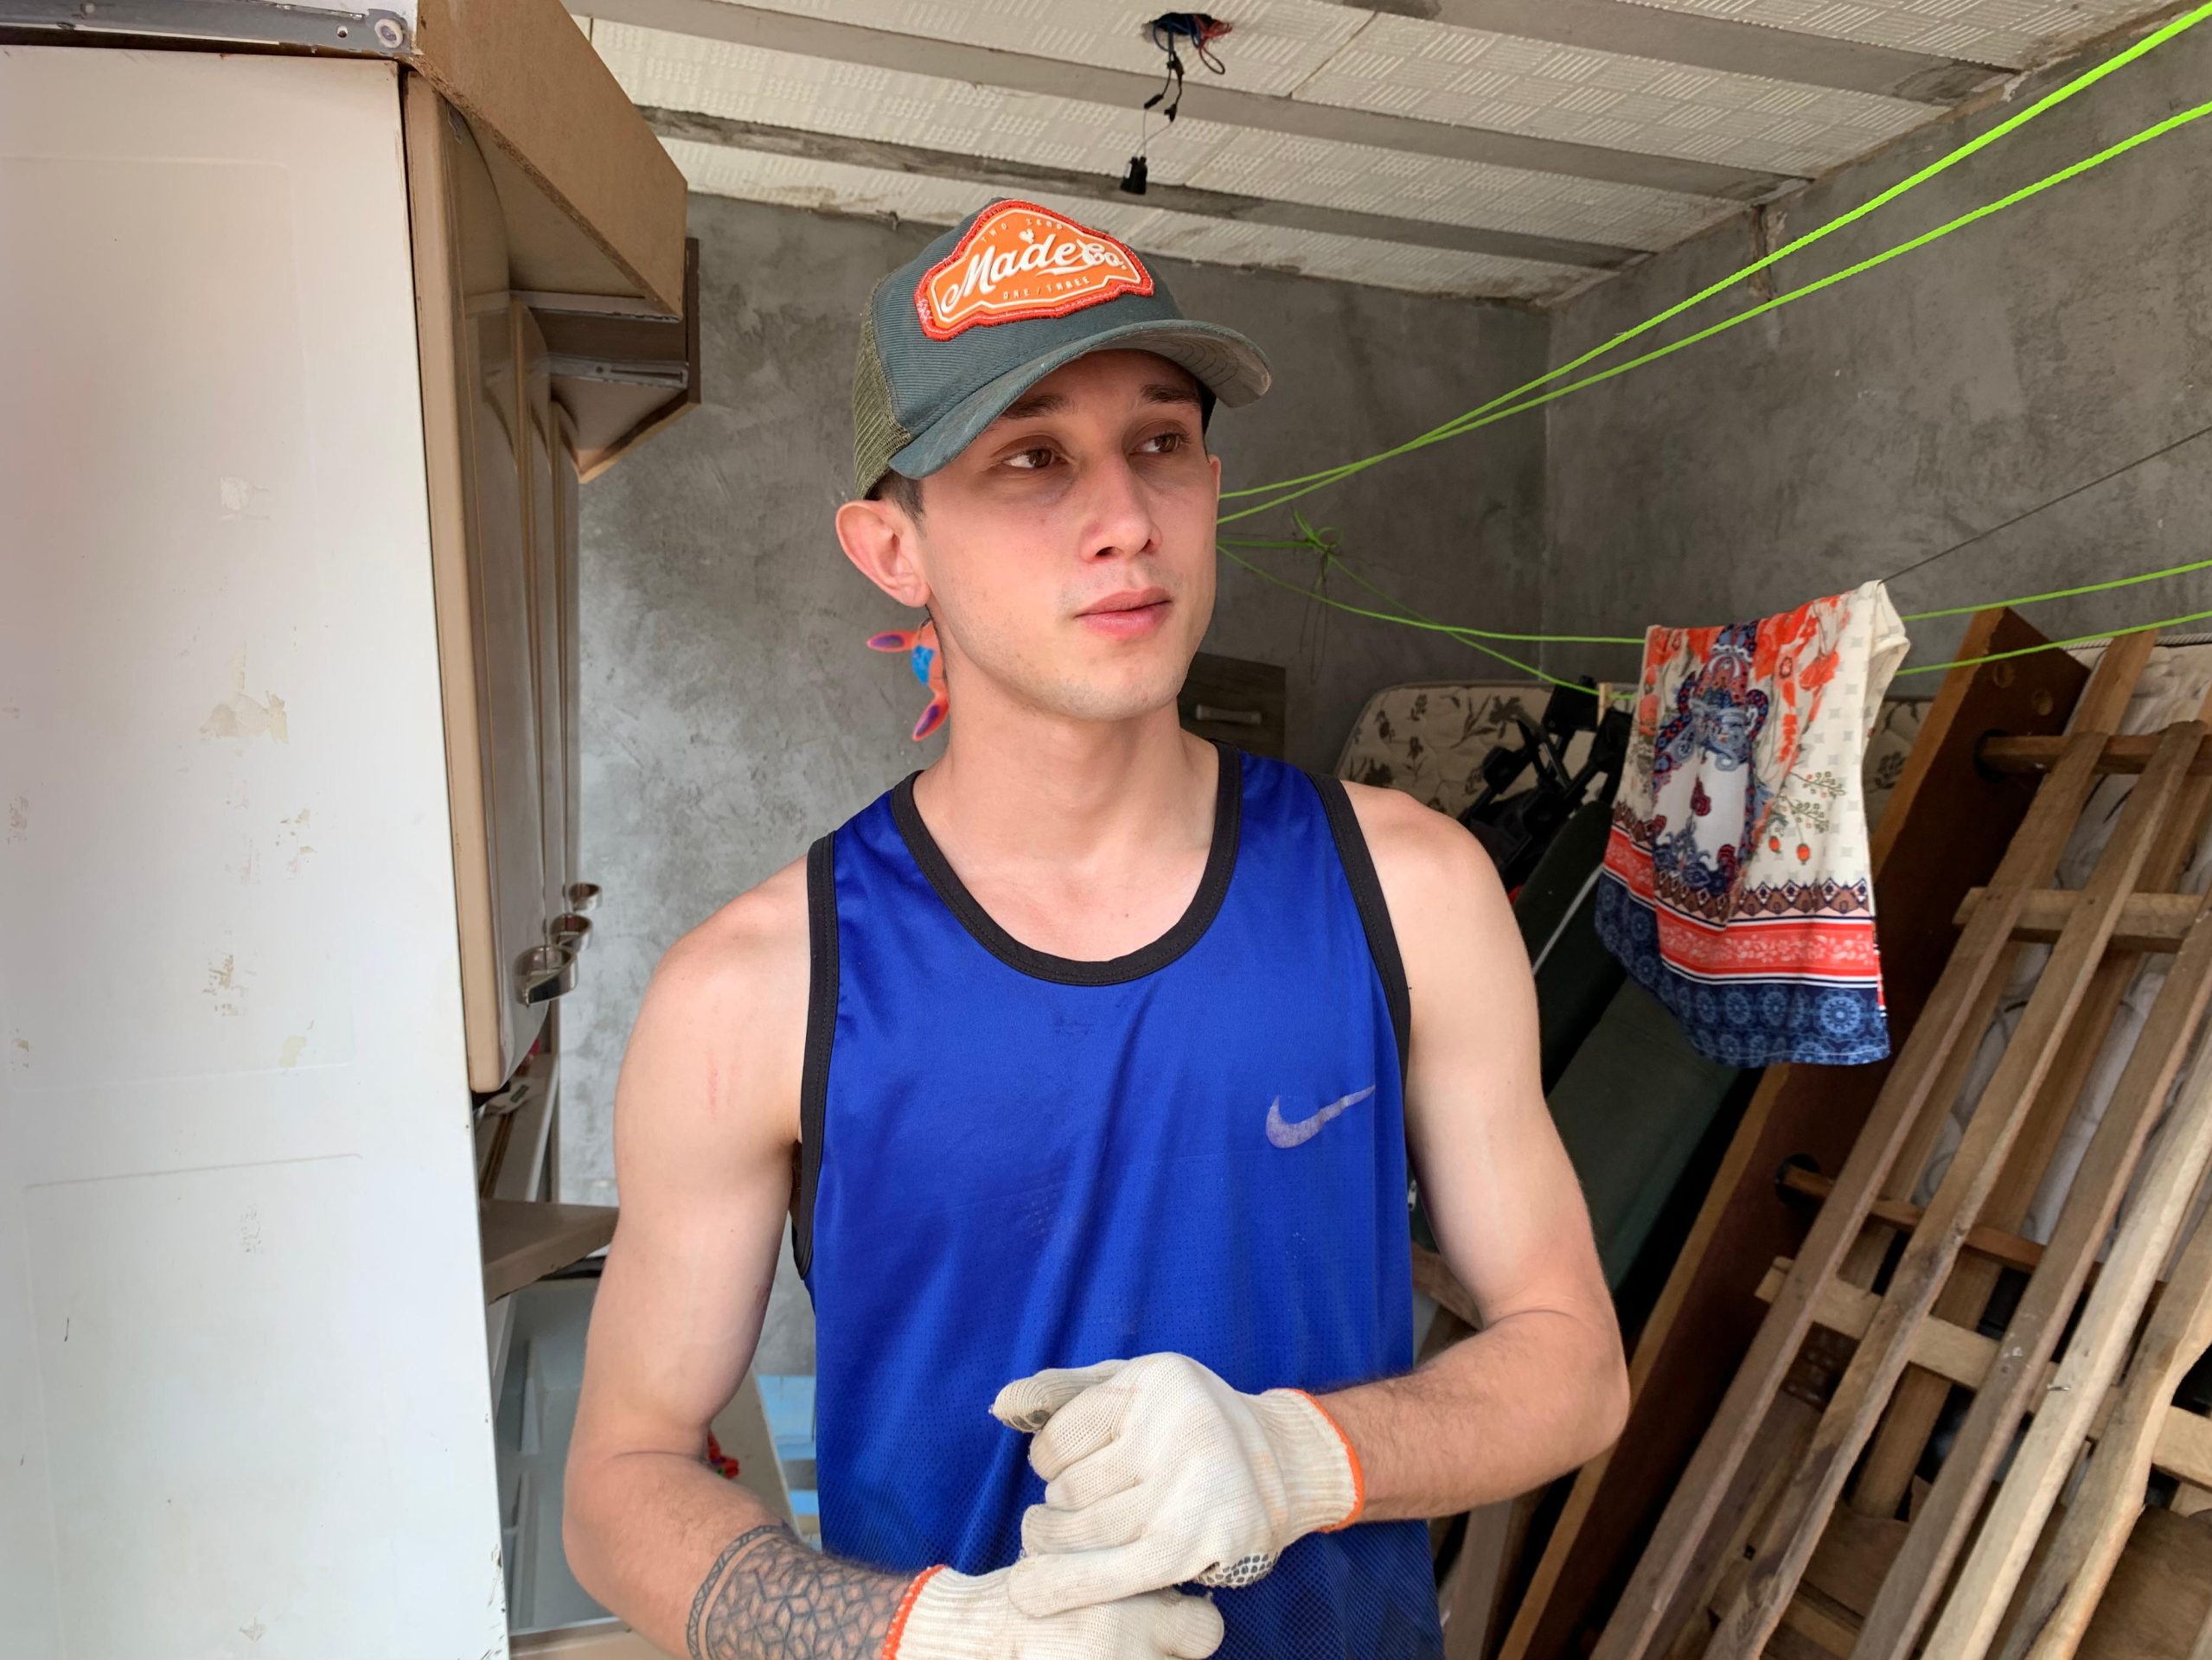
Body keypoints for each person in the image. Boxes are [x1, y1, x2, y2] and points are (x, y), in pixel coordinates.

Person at [563, 198, 1628, 1660]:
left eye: (1161, 442)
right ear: (892, 547)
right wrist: (929, 1639)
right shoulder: (758, 990)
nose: (1126, 519)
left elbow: (1574, 1363)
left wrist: (1298, 1458)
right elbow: (621, 1479)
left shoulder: (1409, 891)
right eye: (1032, 459)